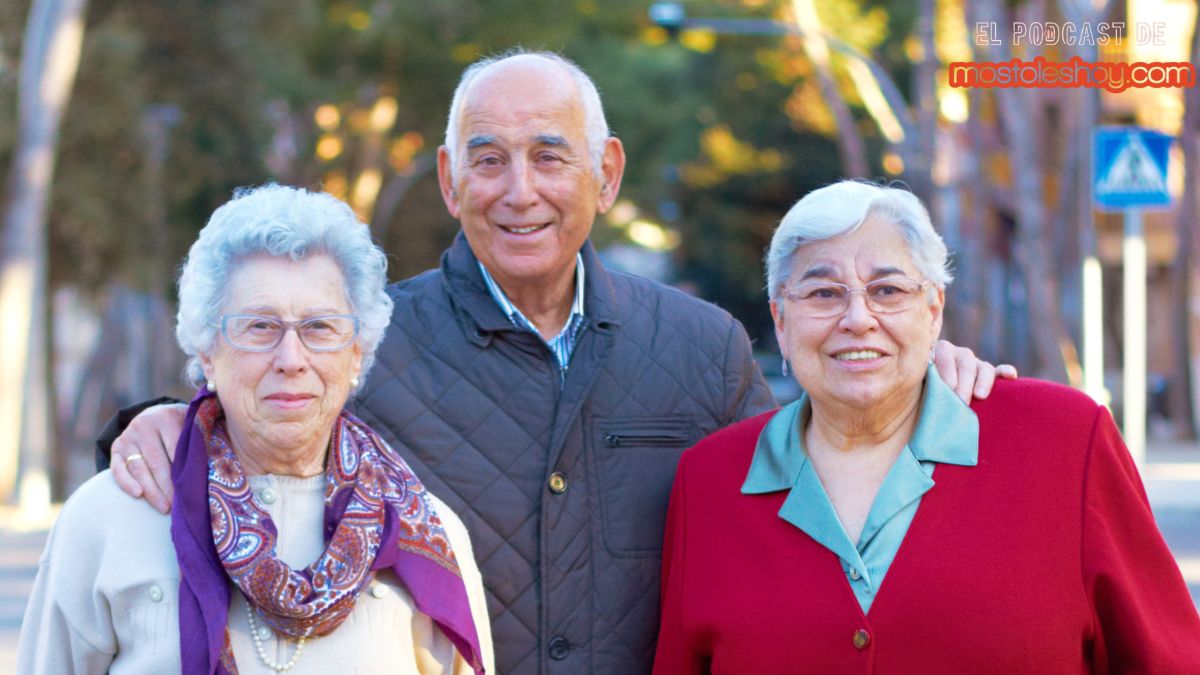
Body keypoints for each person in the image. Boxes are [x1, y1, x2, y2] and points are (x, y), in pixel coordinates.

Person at [98, 51, 1012, 674]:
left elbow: (807, 501)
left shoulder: (699, 347)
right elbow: (253, 422)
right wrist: (164, 416)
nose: (519, 189)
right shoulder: (365, 341)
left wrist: (912, 373)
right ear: (452, 184)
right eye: (487, 160)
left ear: (605, 174)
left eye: (549, 155)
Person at [652, 180, 1200, 674]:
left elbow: (1167, 657)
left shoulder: (1065, 441)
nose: (857, 318)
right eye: (823, 293)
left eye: (888, 290)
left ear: (933, 310)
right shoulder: (710, 479)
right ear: (781, 320)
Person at [20, 185, 493, 674]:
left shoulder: (428, 534)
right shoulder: (107, 520)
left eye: (320, 328)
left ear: (357, 352)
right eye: (259, 326)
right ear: (207, 351)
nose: (291, 359)